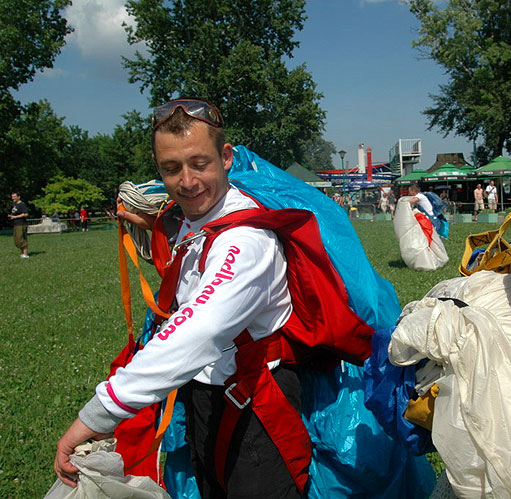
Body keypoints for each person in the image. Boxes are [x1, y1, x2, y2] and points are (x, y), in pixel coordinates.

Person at [54, 99, 304, 497]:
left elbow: (200, 328)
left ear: (226, 157)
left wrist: (100, 414)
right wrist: (159, 224)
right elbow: (193, 258)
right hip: (206, 393)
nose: (187, 182)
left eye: (199, 164)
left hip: (256, 405)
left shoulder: (247, 240)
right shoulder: (194, 217)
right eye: (171, 169)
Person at [9, 192, 29, 258]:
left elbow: (25, 214)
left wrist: (15, 217)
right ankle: (22, 253)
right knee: (17, 239)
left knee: (21, 238)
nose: (13, 198)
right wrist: (12, 216)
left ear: (18, 197)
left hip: (21, 224)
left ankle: (25, 254)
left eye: (14, 196)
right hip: (16, 224)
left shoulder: (22, 204)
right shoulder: (15, 204)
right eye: (12, 197)